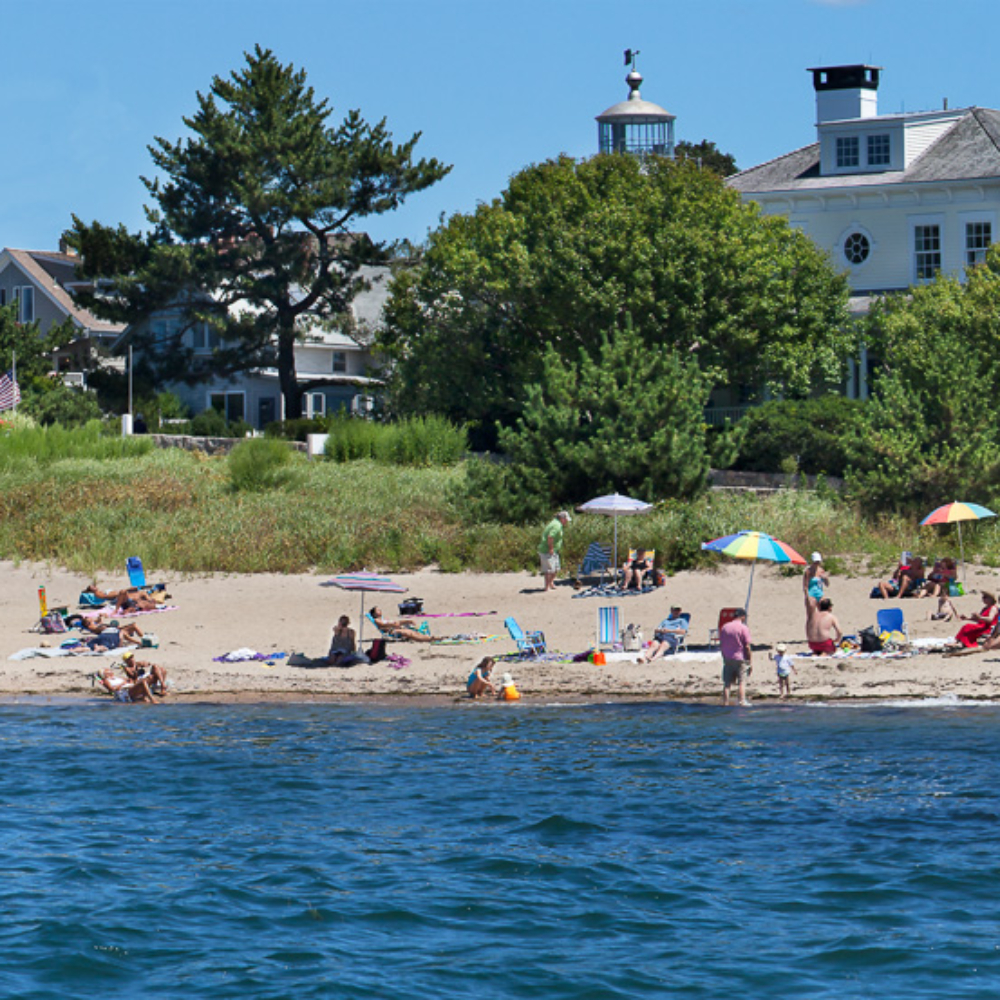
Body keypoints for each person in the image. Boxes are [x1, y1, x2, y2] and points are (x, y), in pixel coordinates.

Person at [720, 608, 752, 707]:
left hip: (728, 657)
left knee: (727, 683)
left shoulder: (725, 627)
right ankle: (742, 701)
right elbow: (747, 645)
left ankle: (725, 702)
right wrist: (750, 660)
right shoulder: (743, 628)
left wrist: (724, 655)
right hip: (740, 657)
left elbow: (722, 643)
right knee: (742, 681)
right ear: (743, 617)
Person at [538, 510, 571, 592]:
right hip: (547, 550)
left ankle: (551, 583)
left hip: (554, 550)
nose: (566, 521)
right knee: (549, 569)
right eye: (566, 519)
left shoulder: (556, 523)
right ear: (562, 518)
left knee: (556, 568)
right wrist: (551, 548)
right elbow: (550, 537)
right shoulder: (556, 525)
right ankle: (546, 587)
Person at [92, 666, 159, 703]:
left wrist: (130, 680)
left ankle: (144, 697)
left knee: (151, 677)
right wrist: (122, 684)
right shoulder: (106, 680)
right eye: (108, 670)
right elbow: (112, 689)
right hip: (125, 692)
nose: (110, 671)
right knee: (143, 682)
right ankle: (152, 699)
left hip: (131, 687)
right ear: (105, 674)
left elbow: (129, 680)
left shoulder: (117, 677)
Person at [370, 606, 435, 642]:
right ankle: (428, 639)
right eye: (378, 610)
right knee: (410, 633)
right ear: (374, 614)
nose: (380, 611)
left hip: (396, 628)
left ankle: (427, 637)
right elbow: (383, 626)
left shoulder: (383, 619)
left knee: (412, 631)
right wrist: (392, 624)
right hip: (392, 631)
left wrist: (407, 621)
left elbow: (397, 622)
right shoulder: (377, 620)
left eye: (379, 609)